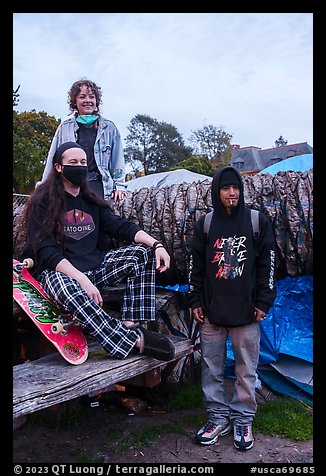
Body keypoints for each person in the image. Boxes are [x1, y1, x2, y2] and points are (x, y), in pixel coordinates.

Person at [21, 142, 175, 362]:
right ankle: (133, 341)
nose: (79, 167)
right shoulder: (41, 202)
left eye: (83, 162)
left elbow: (121, 226)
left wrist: (156, 245)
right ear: (58, 167)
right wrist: (81, 279)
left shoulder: (91, 200)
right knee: (66, 288)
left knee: (142, 253)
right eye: (73, 162)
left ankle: (133, 325)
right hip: (60, 273)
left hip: (95, 267)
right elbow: (46, 250)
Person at [188, 166, 276, 451]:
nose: (231, 193)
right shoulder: (205, 223)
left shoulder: (256, 221)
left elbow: (268, 265)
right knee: (211, 369)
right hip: (212, 313)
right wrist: (195, 301)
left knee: (245, 370)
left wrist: (264, 301)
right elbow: (196, 266)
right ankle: (217, 418)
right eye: (225, 188)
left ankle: (242, 419)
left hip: (247, 313)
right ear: (217, 191)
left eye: (235, 187)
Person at [37, 78, 127, 202]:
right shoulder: (65, 127)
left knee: (94, 213)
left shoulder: (109, 128)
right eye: (82, 97)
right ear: (75, 102)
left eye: (91, 97)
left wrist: (120, 186)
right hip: (69, 181)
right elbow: (52, 158)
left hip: (97, 182)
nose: (88, 101)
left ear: (97, 101)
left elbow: (118, 160)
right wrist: (43, 188)